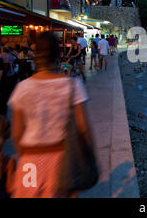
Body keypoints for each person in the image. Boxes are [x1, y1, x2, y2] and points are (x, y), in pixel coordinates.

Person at [8, 32, 93, 198]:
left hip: (30, 160)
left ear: (35, 54)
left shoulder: (22, 88)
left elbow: (17, 134)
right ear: (59, 54)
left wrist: (25, 159)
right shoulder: (72, 85)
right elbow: (83, 129)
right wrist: (85, 162)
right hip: (61, 161)